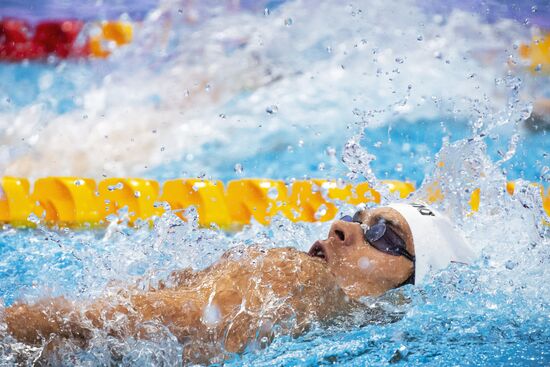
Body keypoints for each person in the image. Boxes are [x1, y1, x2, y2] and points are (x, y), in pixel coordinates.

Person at [1, 203, 475, 364]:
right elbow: (96, 320)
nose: (343, 229)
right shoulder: (291, 274)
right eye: (355, 218)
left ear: (415, 285)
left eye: (384, 236)